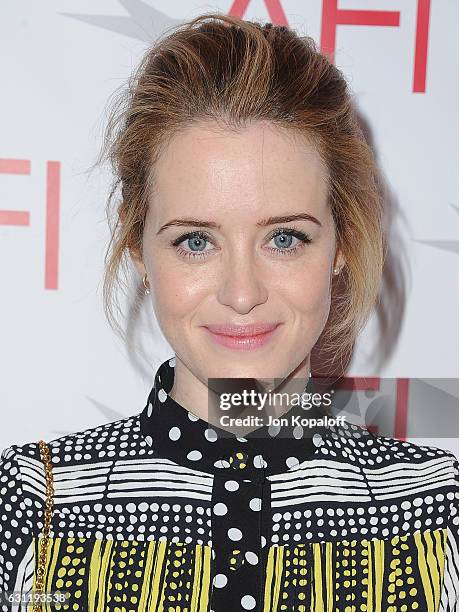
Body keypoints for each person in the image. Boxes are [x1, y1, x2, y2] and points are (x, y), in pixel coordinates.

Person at [1, 11, 458, 612]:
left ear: (342, 244)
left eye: (285, 238)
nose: (242, 293)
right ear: (139, 246)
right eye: (195, 241)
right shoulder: (35, 502)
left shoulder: (438, 509)